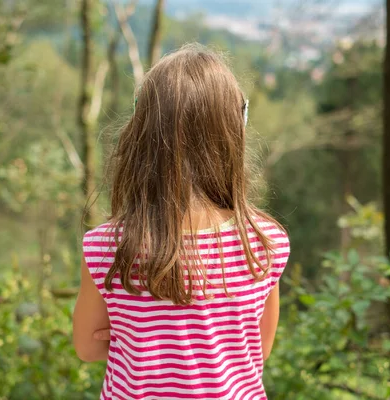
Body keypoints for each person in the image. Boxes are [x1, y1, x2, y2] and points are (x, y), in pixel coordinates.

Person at [72, 43, 290, 400]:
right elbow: (259, 351)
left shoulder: (107, 246)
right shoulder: (263, 243)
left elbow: (87, 347)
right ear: (235, 129)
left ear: (141, 131)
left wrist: (130, 332)